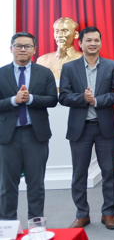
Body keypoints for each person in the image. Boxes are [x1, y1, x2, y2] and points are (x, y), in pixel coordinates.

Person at [59, 26, 114, 229]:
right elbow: (63, 96)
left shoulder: (112, 66)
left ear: (101, 42)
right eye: (88, 40)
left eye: (96, 40)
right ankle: (82, 214)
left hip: (105, 128)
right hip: (80, 129)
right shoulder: (69, 68)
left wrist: (96, 101)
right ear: (80, 43)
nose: (93, 43)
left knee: (109, 172)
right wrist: (83, 98)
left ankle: (109, 213)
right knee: (79, 174)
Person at [0, 32, 57, 221]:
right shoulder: (1, 73)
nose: (22, 49)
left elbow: (52, 99)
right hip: (8, 137)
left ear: (34, 49)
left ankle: (36, 225)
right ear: (11, 48)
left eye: (27, 46)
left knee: (36, 185)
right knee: (7, 186)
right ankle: (7, 226)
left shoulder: (45, 73)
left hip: (36, 136)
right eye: (18, 46)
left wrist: (31, 98)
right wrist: (13, 100)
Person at [36, 17, 83, 81]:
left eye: (65, 31)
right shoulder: (42, 60)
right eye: (57, 31)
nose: (60, 35)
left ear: (76, 34)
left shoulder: (84, 59)